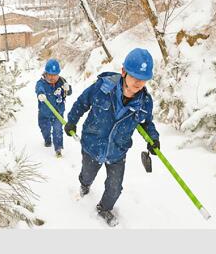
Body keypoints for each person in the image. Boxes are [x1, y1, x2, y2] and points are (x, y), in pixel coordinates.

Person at [64, 48, 160, 226]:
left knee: (115, 188)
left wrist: (153, 139)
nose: (140, 82)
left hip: (118, 150)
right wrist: (71, 121)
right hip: (93, 145)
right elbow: (82, 103)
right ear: (124, 72)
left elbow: (146, 123)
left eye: (144, 79)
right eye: (136, 77)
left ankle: (104, 208)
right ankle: (84, 185)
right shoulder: (102, 87)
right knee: (87, 174)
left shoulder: (145, 102)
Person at [36, 59, 72, 158]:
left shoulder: (62, 82)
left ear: (58, 74)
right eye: (50, 75)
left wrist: (68, 89)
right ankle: (47, 139)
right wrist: (41, 94)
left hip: (58, 112)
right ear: (46, 74)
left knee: (58, 130)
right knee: (45, 128)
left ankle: (58, 149)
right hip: (45, 112)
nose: (52, 77)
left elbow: (69, 92)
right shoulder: (41, 83)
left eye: (55, 75)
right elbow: (39, 88)